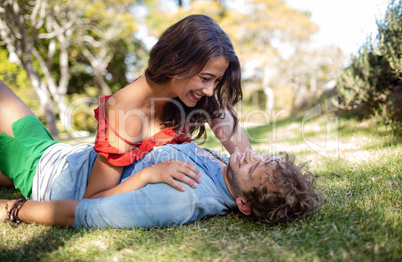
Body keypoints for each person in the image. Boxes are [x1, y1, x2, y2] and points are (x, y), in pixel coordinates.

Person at [0, 80, 320, 229]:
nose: (249, 156)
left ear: (243, 205)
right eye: (263, 157)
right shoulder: (227, 170)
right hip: (60, 154)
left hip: (46, 170)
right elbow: (223, 116)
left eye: (254, 168)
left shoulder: (182, 197)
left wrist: (12, 210)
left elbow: (85, 212)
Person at [85, 14, 251, 199]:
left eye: (216, 81)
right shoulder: (128, 112)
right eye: (205, 78)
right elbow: (93, 198)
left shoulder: (192, 91)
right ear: (175, 61)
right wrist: (148, 175)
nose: (211, 91)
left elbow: (245, 154)